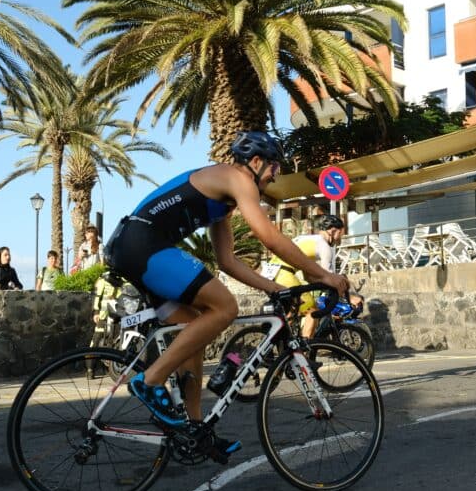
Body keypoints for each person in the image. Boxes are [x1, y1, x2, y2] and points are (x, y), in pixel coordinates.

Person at [104, 131, 348, 462]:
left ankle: (195, 431)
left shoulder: (222, 204)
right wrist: (322, 274)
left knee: (193, 330)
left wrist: (275, 288)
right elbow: (270, 238)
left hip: (134, 245)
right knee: (225, 307)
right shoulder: (236, 177)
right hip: (143, 243)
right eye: (274, 166)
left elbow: (227, 261)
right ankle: (150, 381)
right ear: (257, 162)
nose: (277, 174)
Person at [264, 214, 362, 338]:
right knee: (312, 311)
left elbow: (308, 277)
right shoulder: (324, 246)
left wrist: (318, 285)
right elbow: (329, 277)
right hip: (284, 274)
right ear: (332, 231)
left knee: (290, 312)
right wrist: (349, 296)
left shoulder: (306, 239)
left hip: (270, 272)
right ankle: (304, 352)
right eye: (340, 235)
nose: (340, 240)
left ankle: (281, 344)